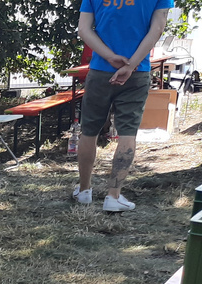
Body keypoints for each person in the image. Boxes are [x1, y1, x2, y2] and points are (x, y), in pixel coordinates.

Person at [73, 0, 171, 211]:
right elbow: (157, 28)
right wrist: (132, 64)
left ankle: (84, 190)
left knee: (89, 130)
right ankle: (113, 196)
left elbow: (84, 29)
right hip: (137, 72)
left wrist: (109, 58)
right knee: (128, 132)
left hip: (100, 69)